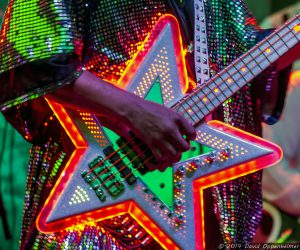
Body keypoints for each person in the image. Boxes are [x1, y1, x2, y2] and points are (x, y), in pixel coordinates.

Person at [0, 0, 298, 249]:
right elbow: (30, 58)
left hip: (198, 201)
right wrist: (133, 112)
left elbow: (242, 59)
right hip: (97, 195)